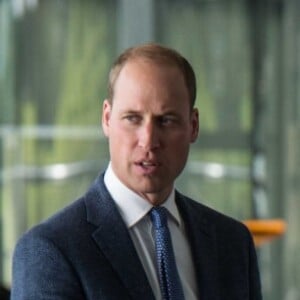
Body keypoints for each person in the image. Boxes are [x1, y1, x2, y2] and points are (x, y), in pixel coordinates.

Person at [11, 43, 262, 300]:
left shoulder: (233, 244)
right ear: (107, 119)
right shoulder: (51, 250)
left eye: (166, 120)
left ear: (193, 125)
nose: (148, 140)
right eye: (132, 118)